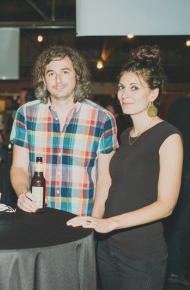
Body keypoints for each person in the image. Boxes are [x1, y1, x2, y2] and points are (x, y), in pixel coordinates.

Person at [67, 45, 183, 290]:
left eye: (134, 88)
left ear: (153, 93)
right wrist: (95, 221)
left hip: (142, 255)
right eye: (121, 87)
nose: (124, 94)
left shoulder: (169, 136)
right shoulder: (126, 133)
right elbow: (108, 183)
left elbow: (166, 205)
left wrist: (112, 223)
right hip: (108, 248)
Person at [10, 45, 118, 215]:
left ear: (77, 75)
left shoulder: (102, 118)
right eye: (51, 73)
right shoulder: (26, 114)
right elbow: (19, 167)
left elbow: (105, 177)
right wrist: (23, 193)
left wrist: (95, 221)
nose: (58, 80)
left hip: (81, 219)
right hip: (38, 217)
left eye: (65, 72)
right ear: (43, 79)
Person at [165, 93, 190, 285]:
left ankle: (172, 268)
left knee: (173, 221)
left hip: (174, 169)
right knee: (183, 222)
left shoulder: (176, 105)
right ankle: (174, 270)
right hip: (187, 171)